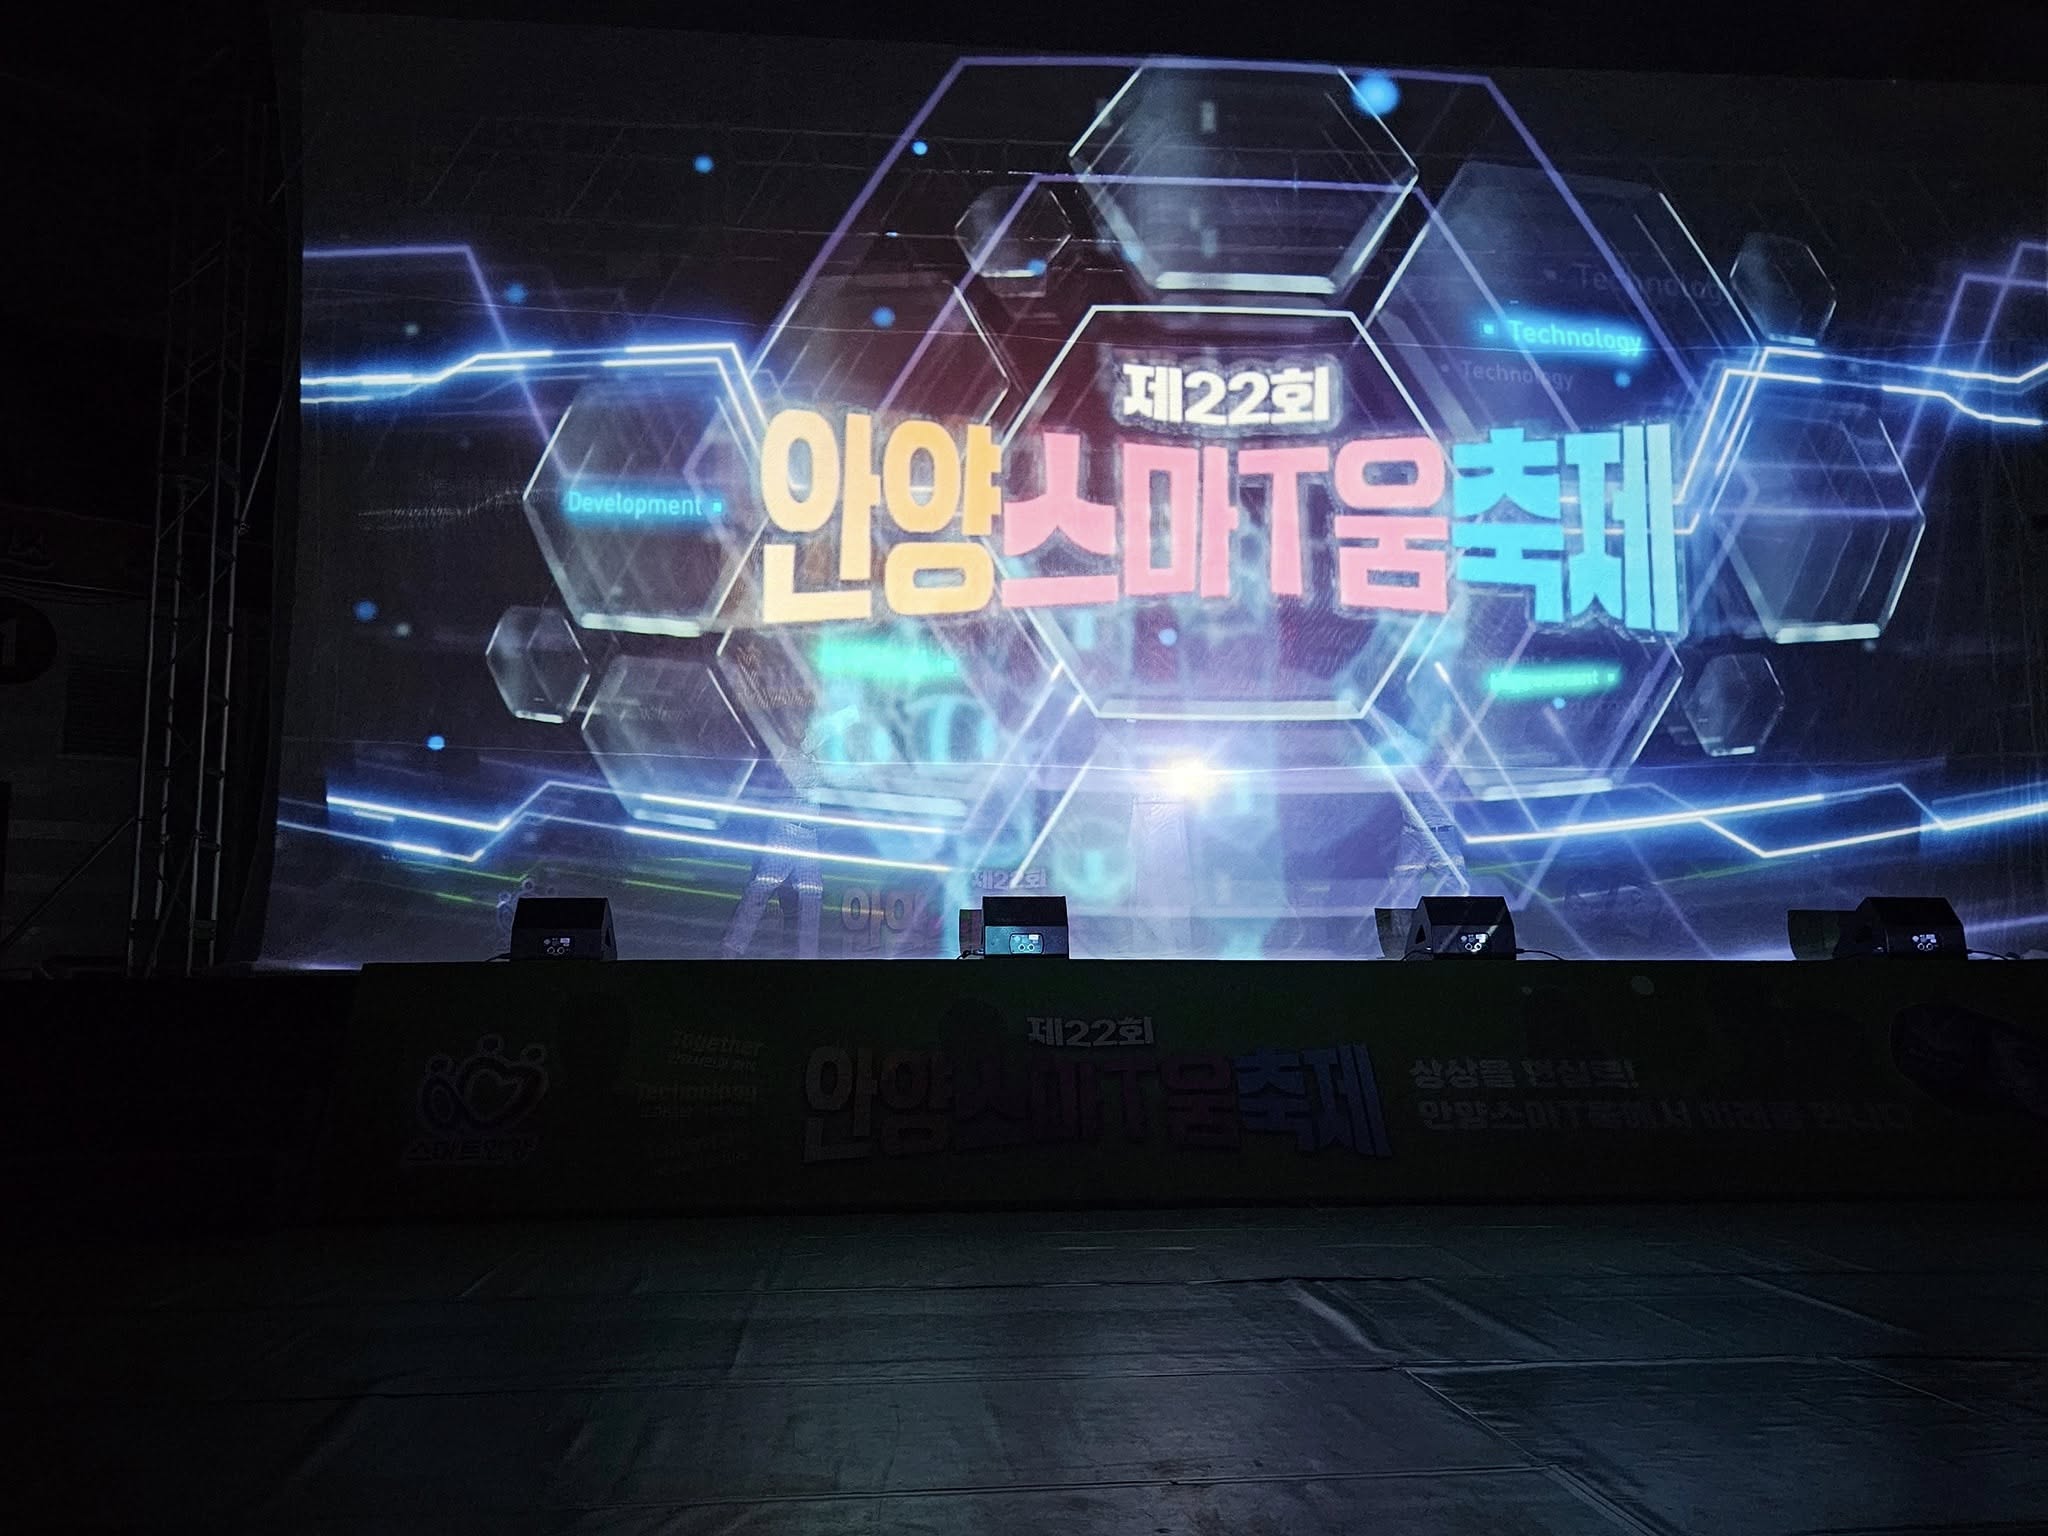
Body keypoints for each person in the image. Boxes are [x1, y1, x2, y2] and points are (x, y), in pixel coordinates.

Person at [719, 704, 859, 959]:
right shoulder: (789, 756)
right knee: (761, 890)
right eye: (796, 725)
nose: (802, 729)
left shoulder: (807, 749)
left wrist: (854, 712)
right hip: (785, 834)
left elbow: (823, 732)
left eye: (802, 724)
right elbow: (810, 776)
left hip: (808, 837)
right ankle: (732, 948)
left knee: (812, 894)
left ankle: (807, 954)